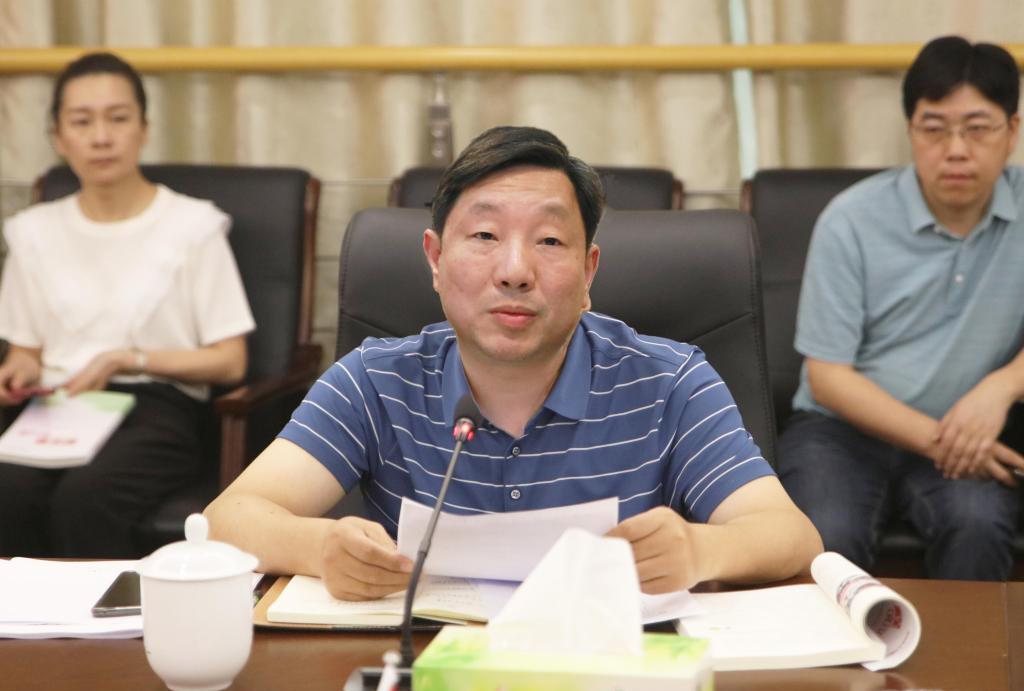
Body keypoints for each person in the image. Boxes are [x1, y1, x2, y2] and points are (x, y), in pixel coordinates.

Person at [206, 125, 822, 600]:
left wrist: (700, 551)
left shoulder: (671, 382)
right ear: (434, 260)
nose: (515, 271)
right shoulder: (374, 380)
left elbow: (791, 535)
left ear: (588, 272)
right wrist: (318, 547)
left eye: (549, 241)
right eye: (484, 236)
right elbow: (227, 518)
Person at [776, 36, 1024, 581]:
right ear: (911, 130)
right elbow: (829, 378)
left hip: (961, 425)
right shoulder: (851, 218)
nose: (955, 149)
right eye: (934, 128)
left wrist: (1004, 385)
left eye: (977, 128)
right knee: (825, 533)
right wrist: (948, 442)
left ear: (1012, 131)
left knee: (979, 524)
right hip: (841, 431)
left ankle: (965, 646)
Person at [0, 52, 255, 558]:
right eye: (82, 121)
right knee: (8, 490)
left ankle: (106, 613)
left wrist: (126, 358)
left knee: (86, 499)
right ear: (58, 137)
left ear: (143, 129)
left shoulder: (193, 226)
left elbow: (230, 361)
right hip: (56, 406)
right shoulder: (32, 231)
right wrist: (17, 371)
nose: (101, 137)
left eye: (117, 118)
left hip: (156, 407)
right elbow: (25, 351)